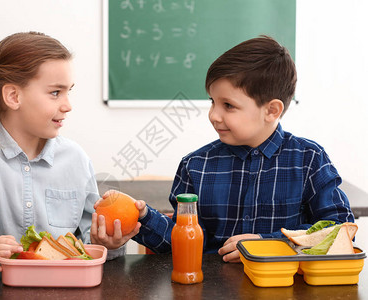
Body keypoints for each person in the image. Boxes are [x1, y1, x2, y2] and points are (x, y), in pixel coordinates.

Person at [91, 36, 354, 262]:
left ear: (271, 110)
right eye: (212, 101)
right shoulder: (196, 166)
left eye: (228, 105)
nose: (214, 115)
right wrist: (144, 217)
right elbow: (181, 243)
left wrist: (269, 244)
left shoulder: (308, 159)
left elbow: (339, 228)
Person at [0, 32, 127, 273]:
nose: (68, 105)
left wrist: (106, 243)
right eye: (56, 92)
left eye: (69, 92)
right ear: (13, 96)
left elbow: (89, 242)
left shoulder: (76, 158)